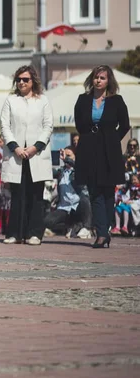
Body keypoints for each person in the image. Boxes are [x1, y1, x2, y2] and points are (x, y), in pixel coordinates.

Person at [73, 65, 131, 248]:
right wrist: (91, 137)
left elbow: (125, 125)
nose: (98, 80)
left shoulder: (117, 101)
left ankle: (106, 229)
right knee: (94, 190)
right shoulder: (83, 100)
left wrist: (113, 139)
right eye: (96, 77)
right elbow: (79, 124)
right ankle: (102, 232)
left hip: (109, 149)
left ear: (108, 81)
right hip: (88, 147)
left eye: (102, 78)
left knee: (107, 191)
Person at [1, 65, 53, 246]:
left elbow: (48, 126)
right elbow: (5, 126)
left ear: (33, 81)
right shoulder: (10, 100)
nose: (21, 82)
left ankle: (34, 233)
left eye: (25, 79)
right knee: (17, 195)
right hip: (16, 154)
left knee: (36, 195)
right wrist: (15, 147)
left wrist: (35, 147)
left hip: (36, 154)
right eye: (19, 80)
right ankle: (15, 233)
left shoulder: (43, 100)